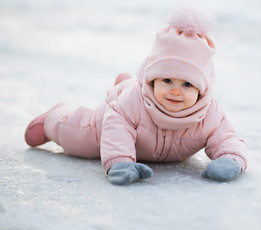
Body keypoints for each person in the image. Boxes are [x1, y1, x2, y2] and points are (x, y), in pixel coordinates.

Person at [24, 8, 248, 185]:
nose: (175, 90)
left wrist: (230, 159)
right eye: (166, 80)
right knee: (81, 140)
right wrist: (120, 163)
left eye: (187, 84)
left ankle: (124, 80)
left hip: (139, 121)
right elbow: (117, 129)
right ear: (151, 80)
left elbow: (226, 136)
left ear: (202, 90)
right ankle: (53, 119)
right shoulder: (132, 103)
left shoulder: (210, 114)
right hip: (109, 121)